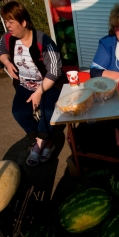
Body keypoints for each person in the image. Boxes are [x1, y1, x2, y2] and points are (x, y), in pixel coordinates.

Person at [0, 1, 66, 166]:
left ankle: (45, 142)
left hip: (48, 85)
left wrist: (39, 92)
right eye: (5, 21)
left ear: (23, 22)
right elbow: (2, 53)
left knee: (48, 110)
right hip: (24, 85)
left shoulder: (44, 42)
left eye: (10, 22)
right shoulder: (7, 38)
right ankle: (41, 140)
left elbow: (54, 71)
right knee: (19, 112)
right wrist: (7, 63)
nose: (7, 25)